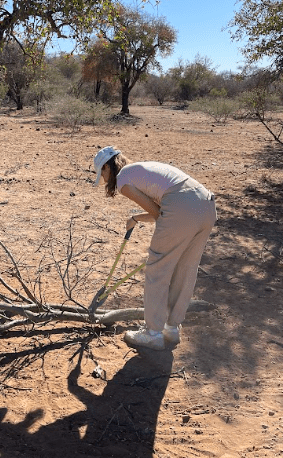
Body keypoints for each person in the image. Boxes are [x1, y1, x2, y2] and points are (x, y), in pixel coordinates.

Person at [93, 146, 217, 351]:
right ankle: (172, 328)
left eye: (103, 173)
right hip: (206, 205)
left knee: (157, 270)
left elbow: (159, 214)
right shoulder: (141, 168)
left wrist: (138, 217)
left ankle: (152, 333)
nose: (105, 180)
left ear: (107, 166)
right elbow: (167, 210)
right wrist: (135, 218)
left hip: (182, 208)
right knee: (185, 268)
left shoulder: (124, 178)